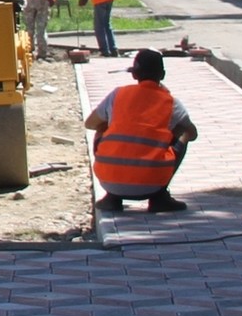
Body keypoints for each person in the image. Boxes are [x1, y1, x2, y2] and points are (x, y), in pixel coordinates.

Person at [84, 46, 196, 213]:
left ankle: (112, 198)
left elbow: (90, 124)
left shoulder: (118, 95)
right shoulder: (171, 102)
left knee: (102, 126)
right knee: (183, 131)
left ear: (134, 74)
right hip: (151, 183)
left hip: (110, 181)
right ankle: (160, 198)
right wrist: (168, 132)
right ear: (162, 75)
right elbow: (192, 133)